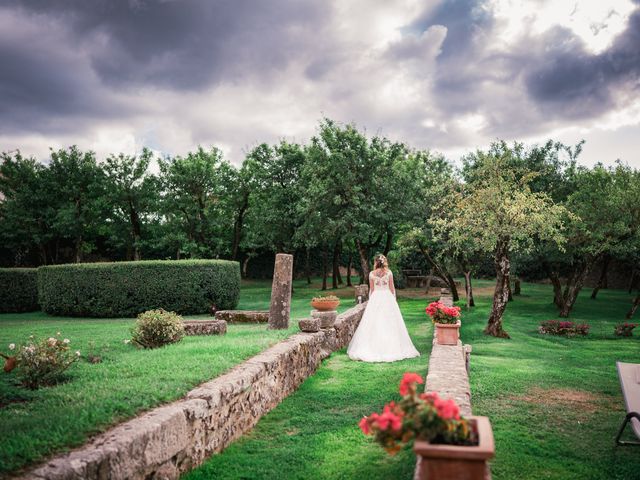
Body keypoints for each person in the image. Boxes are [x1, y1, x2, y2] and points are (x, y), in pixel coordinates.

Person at [347, 254, 420, 362]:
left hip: (376, 297)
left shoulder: (372, 274)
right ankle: (392, 347)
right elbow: (392, 288)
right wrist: (394, 300)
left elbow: (372, 290)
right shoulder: (389, 273)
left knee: (374, 321)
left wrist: (371, 302)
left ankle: (372, 347)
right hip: (387, 298)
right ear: (384, 262)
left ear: (376, 262)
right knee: (389, 322)